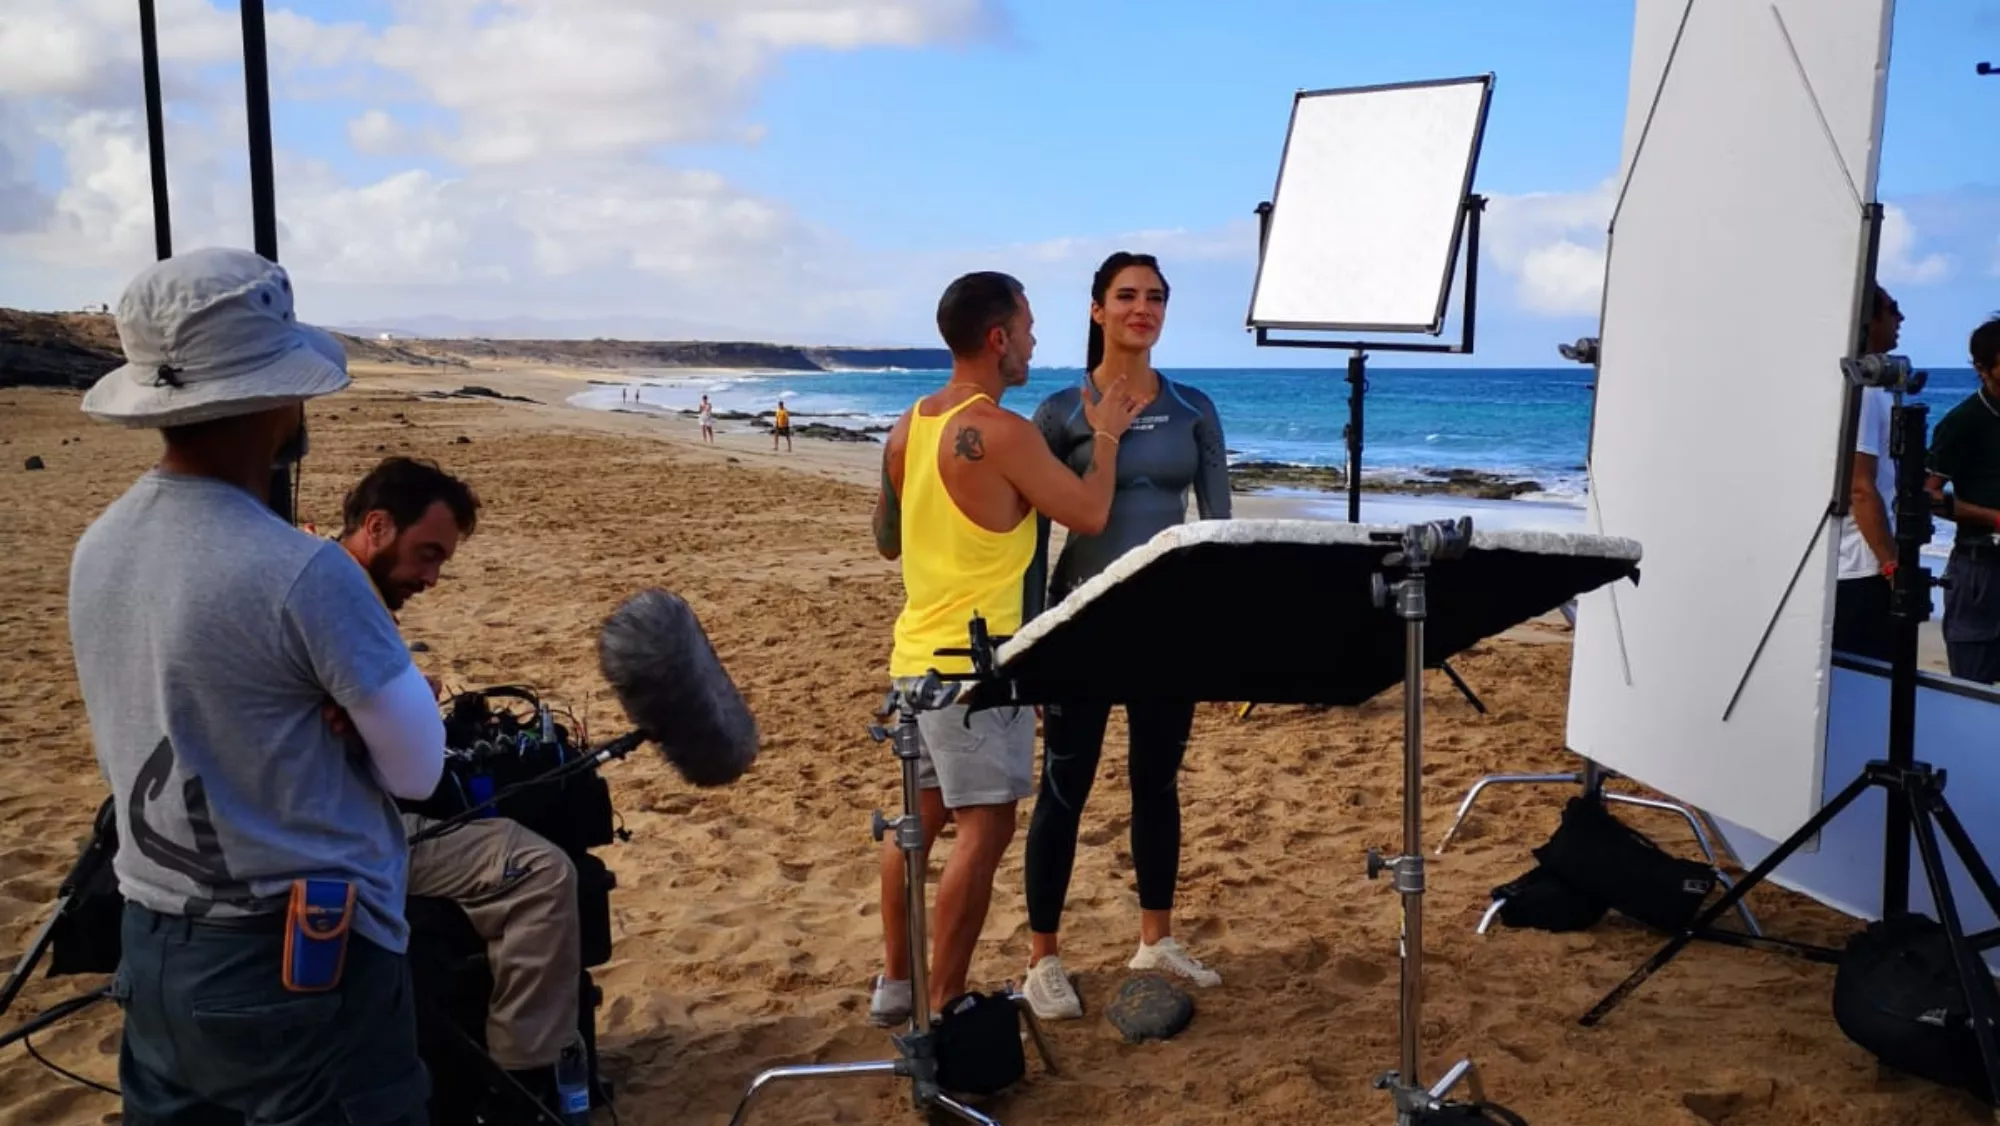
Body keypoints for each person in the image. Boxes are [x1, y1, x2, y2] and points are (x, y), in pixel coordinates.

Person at [67, 247, 442, 1124]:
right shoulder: (301, 570)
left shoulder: (100, 544)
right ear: (277, 398)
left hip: (153, 933)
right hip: (296, 954)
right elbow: (419, 770)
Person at [866, 270, 1144, 1025]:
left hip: (914, 657)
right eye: (1026, 327)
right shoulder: (1003, 431)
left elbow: (887, 541)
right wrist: (1107, 436)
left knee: (916, 823)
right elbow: (1088, 513)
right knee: (983, 830)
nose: (1033, 340)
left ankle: (896, 984)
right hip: (977, 667)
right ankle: (944, 1000)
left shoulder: (907, 427)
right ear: (997, 338)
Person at [1018, 252, 1232, 1020]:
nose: (1143, 308)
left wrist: (1222, 626)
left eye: (1156, 297)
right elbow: (1032, 540)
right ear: (1097, 309)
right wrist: (1029, 637)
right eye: (1127, 295)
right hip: (1081, 622)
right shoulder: (1059, 413)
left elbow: (1217, 530)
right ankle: (1042, 959)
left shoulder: (1194, 407)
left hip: (1166, 628)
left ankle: (1155, 940)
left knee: (1157, 782)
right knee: (1065, 787)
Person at [332, 456, 584, 1107]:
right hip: (349, 830)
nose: (431, 578)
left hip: (324, 817)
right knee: (542, 871)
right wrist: (415, 702)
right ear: (377, 526)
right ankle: (525, 1083)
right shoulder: (341, 604)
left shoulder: (320, 581)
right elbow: (414, 773)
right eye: (427, 555)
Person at [1831, 285, 1906, 662]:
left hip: (1846, 567)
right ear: (1869, 319)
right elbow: (1860, 487)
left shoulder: (1848, 383)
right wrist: (1891, 564)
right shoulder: (1861, 390)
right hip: (1861, 569)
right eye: (1893, 310)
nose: (1900, 318)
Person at [1926, 313, 2000, 682]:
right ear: (1982, 368)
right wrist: (1995, 518)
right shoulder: (1963, 421)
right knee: (1972, 688)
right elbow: (1926, 495)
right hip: (1980, 567)